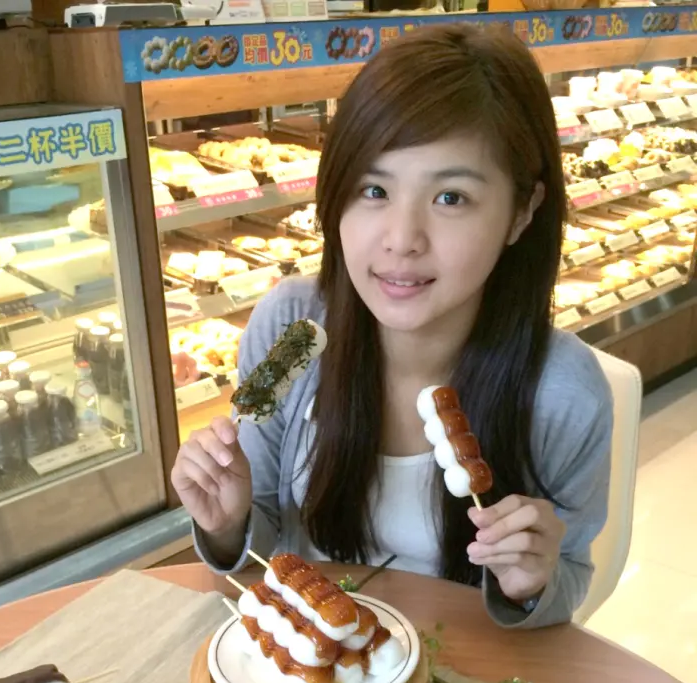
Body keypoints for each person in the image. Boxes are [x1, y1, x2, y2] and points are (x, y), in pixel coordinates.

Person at [171, 23, 613, 629]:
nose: (402, 240)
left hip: (461, 663)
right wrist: (227, 526)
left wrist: (531, 585)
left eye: (451, 197)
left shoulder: (564, 394)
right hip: (315, 654)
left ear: (521, 212)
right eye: (374, 188)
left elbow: (568, 579)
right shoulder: (290, 325)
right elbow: (260, 538)